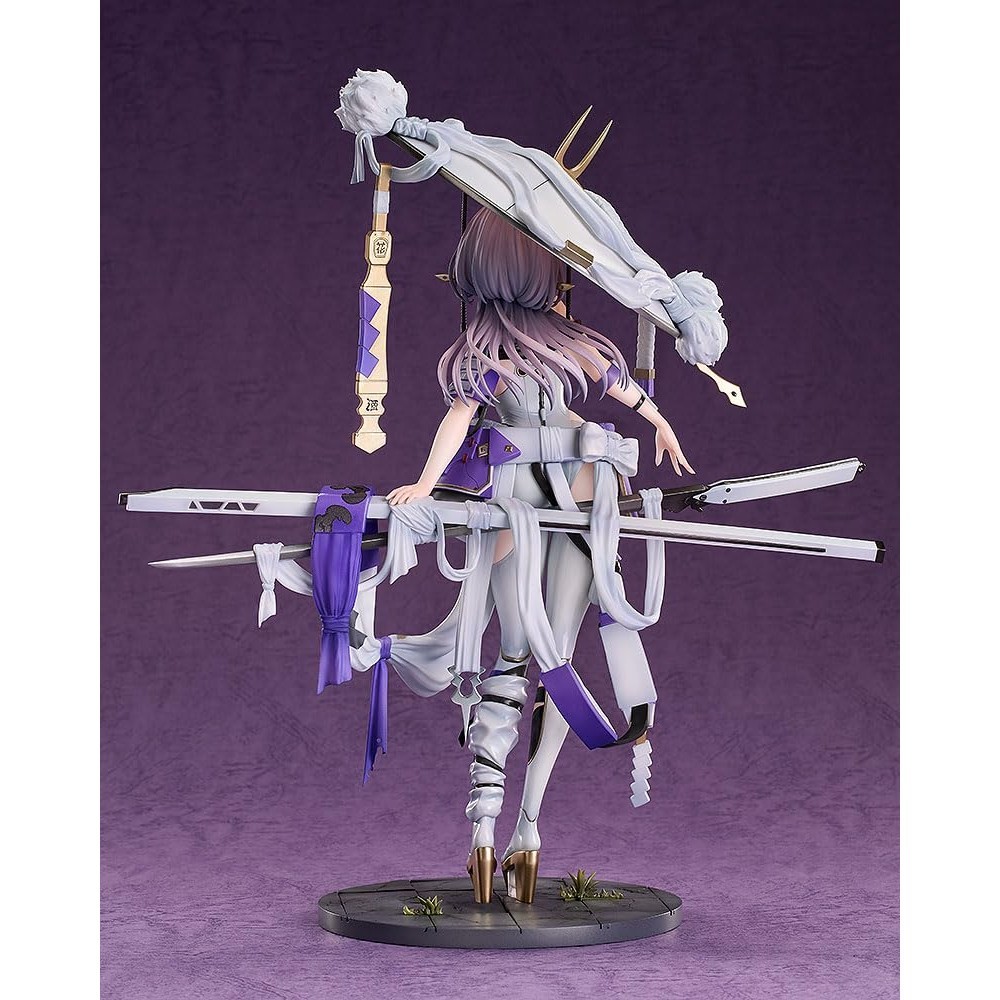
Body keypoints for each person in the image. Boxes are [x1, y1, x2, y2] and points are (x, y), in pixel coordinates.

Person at [384, 207, 694, 904]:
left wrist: (659, 422)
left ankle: (514, 827)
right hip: (527, 509)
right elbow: (459, 419)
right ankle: (497, 827)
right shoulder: (493, 354)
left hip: (580, 507)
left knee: (543, 661)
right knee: (528, 655)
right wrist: (425, 486)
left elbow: (624, 389)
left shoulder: (559, 345)